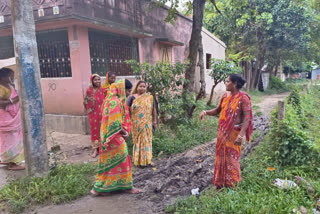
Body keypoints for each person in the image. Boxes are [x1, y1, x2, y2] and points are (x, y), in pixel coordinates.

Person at [199, 74, 253, 188]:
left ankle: (232, 184)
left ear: (235, 84)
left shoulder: (243, 98)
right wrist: (206, 112)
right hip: (222, 133)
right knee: (221, 157)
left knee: (232, 158)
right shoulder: (224, 96)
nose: (225, 83)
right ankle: (220, 183)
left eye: (228, 81)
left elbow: (247, 118)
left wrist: (241, 135)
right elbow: (217, 110)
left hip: (234, 134)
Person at [91, 79, 141, 195]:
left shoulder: (110, 99)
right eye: (128, 91)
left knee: (109, 162)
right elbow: (115, 124)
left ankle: (103, 188)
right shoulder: (115, 102)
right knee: (123, 158)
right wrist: (125, 133)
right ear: (122, 89)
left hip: (106, 136)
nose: (129, 94)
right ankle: (127, 187)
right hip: (113, 136)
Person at [127, 80, 157, 167]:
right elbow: (127, 110)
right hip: (136, 124)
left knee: (147, 141)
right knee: (138, 141)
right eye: (140, 86)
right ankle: (138, 160)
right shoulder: (131, 97)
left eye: (144, 86)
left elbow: (153, 109)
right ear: (136, 87)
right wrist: (127, 122)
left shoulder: (149, 97)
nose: (142, 88)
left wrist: (155, 121)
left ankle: (148, 160)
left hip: (147, 122)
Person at [0, 67, 25, 170]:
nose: (12, 78)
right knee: (11, 139)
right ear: (3, 77)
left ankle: (4, 159)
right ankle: (12, 163)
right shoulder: (1, 88)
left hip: (11, 117)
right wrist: (13, 101)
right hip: (6, 118)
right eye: (10, 77)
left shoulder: (9, 86)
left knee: (7, 140)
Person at [84, 74, 105, 158]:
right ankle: (95, 149)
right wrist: (90, 106)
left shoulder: (103, 90)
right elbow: (85, 102)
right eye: (95, 80)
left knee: (102, 131)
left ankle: (102, 148)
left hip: (102, 114)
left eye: (99, 79)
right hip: (93, 114)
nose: (97, 81)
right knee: (94, 131)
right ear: (92, 81)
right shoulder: (89, 91)